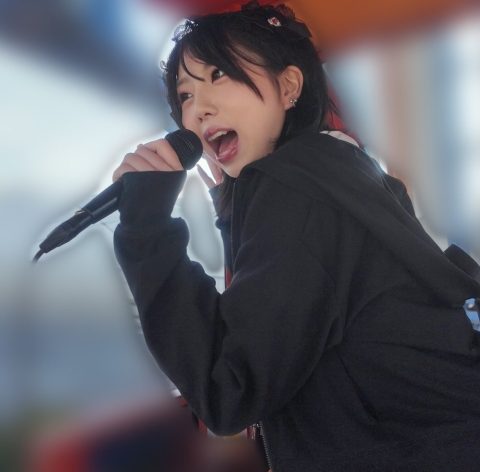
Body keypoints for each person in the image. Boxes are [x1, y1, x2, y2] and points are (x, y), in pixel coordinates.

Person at [112, 2, 480, 471]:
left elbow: (230, 388)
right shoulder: (342, 172)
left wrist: (146, 231)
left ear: (288, 87)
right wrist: (232, 214)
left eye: (219, 74)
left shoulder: (292, 189)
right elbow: (278, 307)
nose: (198, 109)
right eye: (184, 95)